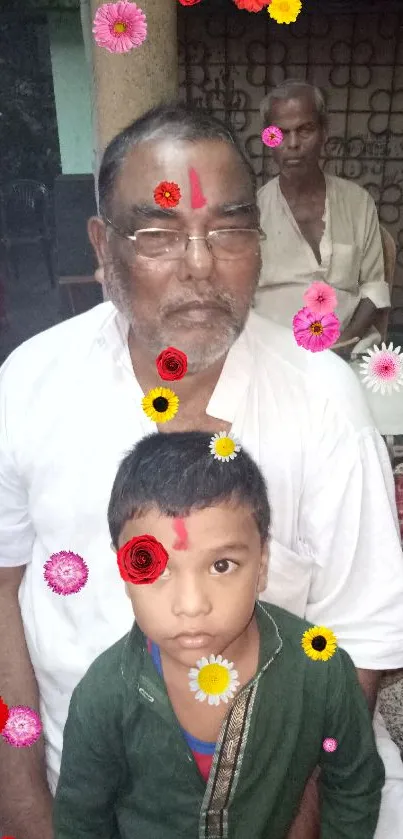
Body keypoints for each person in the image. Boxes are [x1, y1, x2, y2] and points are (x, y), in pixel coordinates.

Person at [0, 102, 402, 839]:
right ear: (101, 245)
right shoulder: (29, 384)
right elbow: (3, 587)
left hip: (273, 794)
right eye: (158, 233)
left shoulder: (321, 399)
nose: (199, 264)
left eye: (229, 229)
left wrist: (296, 813)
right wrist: (22, 797)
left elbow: (361, 634)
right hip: (78, 791)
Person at [53, 431, 385, 839]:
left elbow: (351, 780)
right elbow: (82, 819)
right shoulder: (103, 695)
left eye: (222, 566)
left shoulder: (319, 671)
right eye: (154, 568)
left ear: (262, 563)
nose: (191, 605)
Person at [254, 80, 391, 359]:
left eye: (305, 130)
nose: (293, 144)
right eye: (280, 133)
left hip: (349, 349)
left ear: (324, 133)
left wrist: (344, 343)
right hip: (272, 355)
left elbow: (373, 288)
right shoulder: (252, 211)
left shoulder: (357, 202)